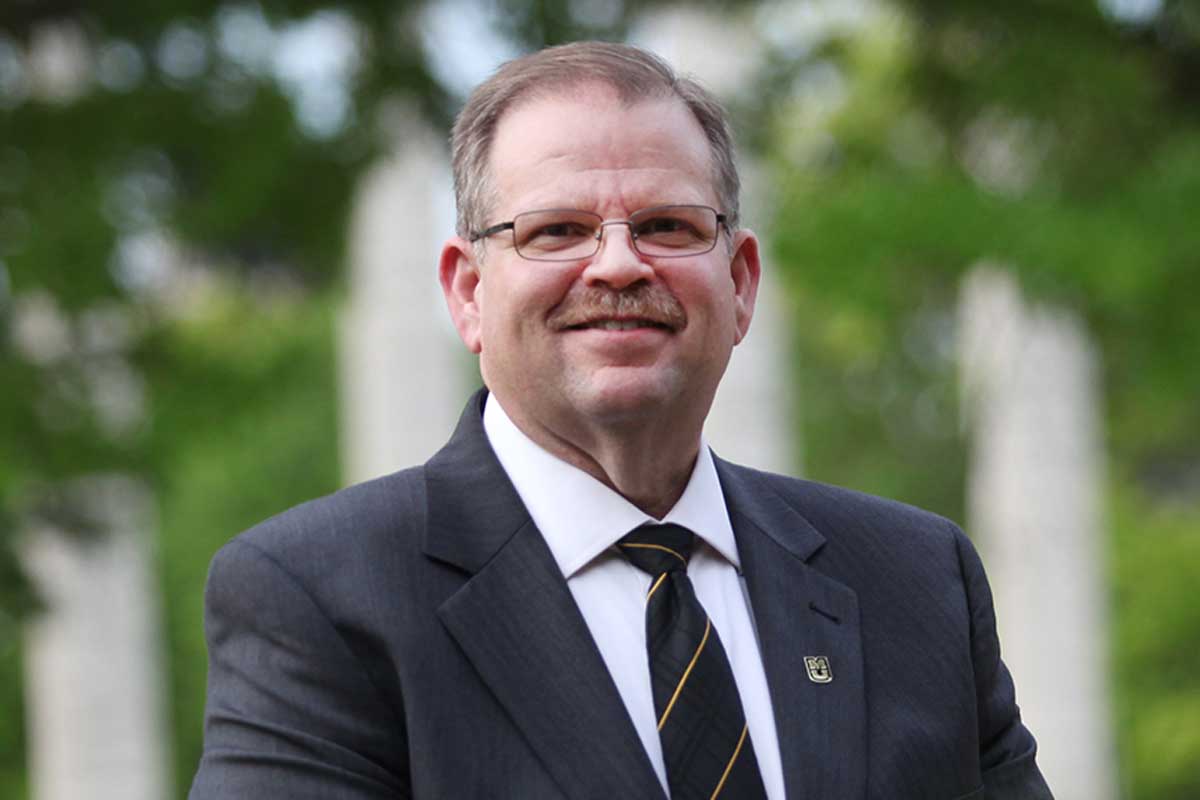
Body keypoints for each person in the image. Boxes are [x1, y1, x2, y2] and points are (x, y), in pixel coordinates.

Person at [190, 41, 1052, 799]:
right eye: (556, 230)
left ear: (742, 283)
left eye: (668, 226)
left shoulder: (914, 583)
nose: (616, 264)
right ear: (468, 292)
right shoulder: (321, 600)